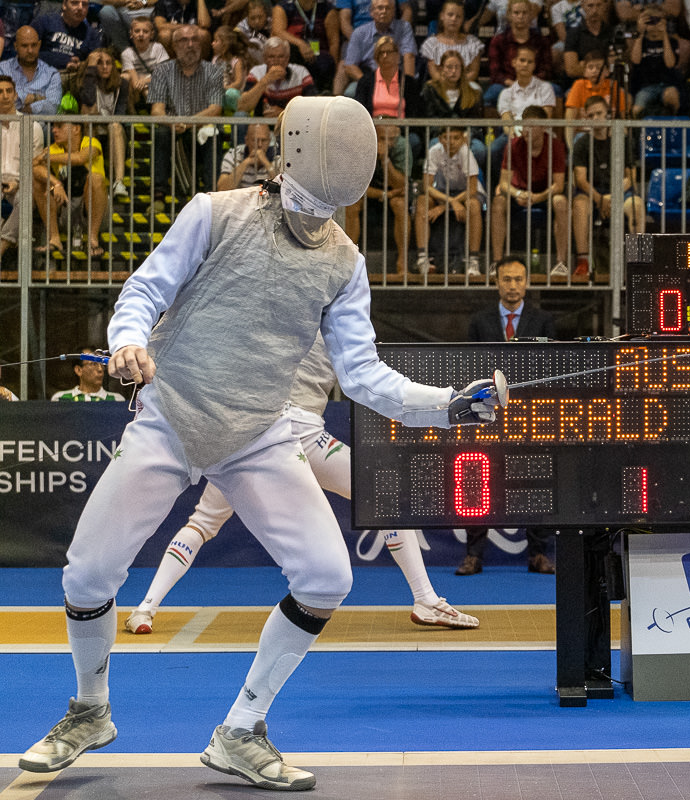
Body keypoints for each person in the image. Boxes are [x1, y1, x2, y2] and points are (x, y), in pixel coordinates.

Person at [16, 95, 500, 790]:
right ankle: (89, 711)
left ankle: (241, 729)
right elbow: (144, 292)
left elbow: (363, 376)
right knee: (87, 574)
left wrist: (447, 406)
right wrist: (126, 343)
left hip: (259, 432)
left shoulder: (344, 260)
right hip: (170, 417)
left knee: (328, 577)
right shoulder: (216, 213)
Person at [124, 336, 480, 635]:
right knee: (379, 496)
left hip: (249, 436)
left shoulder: (276, 311)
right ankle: (426, 600)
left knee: (202, 523)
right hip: (299, 432)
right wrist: (445, 400)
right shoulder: (335, 316)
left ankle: (145, 608)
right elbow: (372, 381)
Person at [458, 253, 556, 576]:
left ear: (527, 283)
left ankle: (538, 554)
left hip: (530, 415)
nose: (512, 286)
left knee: (536, 482)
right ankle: (474, 555)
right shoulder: (478, 321)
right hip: (487, 415)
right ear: (496, 282)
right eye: (506, 279)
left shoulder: (544, 322)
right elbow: (469, 369)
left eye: (518, 279)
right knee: (476, 483)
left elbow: (550, 370)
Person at [570, 95, 644, 279]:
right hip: (592, 193)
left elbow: (631, 177)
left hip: (619, 192)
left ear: (608, 114)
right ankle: (583, 262)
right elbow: (580, 179)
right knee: (579, 205)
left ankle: (639, 263)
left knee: (637, 206)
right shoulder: (582, 143)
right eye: (591, 115)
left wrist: (612, 197)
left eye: (599, 113)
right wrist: (600, 199)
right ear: (586, 118)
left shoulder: (622, 139)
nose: (596, 118)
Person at [148, 24, 225, 202]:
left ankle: (210, 195)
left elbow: (215, 109)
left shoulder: (213, 71)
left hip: (200, 127)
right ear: (174, 46)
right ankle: (158, 194)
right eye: (184, 40)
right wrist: (173, 123)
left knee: (213, 134)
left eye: (195, 40)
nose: (190, 45)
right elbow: (156, 111)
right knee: (160, 132)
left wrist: (188, 123)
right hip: (173, 129)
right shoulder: (161, 71)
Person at [490, 105, 570, 276]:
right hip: (519, 193)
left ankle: (561, 264)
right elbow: (503, 183)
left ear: (543, 127)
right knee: (498, 203)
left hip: (546, 193)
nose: (527, 130)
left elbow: (559, 185)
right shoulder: (513, 145)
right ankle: (497, 263)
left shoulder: (555, 146)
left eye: (532, 126)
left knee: (561, 201)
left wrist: (537, 197)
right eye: (525, 125)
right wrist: (518, 194)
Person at [413, 125, 485, 276]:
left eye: (456, 138)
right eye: (447, 137)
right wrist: (450, 202)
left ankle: (473, 261)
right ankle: (422, 258)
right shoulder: (434, 151)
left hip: (465, 193)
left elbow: (472, 188)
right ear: (440, 139)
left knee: (473, 205)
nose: (451, 142)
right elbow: (427, 186)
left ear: (463, 140)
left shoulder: (466, 153)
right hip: (443, 193)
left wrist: (444, 206)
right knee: (422, 201)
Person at [31, 119, 109, 260]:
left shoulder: (91, 143)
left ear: (76, 129)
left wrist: (47, 157)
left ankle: (92, 240)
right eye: (54, 126)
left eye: (59, 126)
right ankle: (54, 238)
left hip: (96, 211)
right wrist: (56, 183)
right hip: (66, 207)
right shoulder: (55, 148)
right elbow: (34, 166)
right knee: (41, 183)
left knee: (96, 179)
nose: (54, 130)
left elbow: (80, 158)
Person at [344, 121, 411, 272]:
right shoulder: (361, 146)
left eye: (392, 139)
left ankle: (402, 261)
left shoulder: (401, 146)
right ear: (373, 135)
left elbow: (401, 184)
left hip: (394, 194)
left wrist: (385, 160)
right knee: (351, 204)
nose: (388, 143)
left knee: (400, 204)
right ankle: (349, 262)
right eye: (382, 139)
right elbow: (356, 185)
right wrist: (384, 194)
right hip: (369, 193)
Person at [490, 45, 557, 185]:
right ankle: (501, 188)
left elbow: (546, 116)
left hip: (540, 132)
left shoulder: (545, 88)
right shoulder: (506, 94)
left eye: (530, 61)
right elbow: (507, 121)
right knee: (494, 149)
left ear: (534, 65)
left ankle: (548, 187)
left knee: (554, 146)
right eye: (522, 60)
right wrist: (517, 135)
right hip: (515, 134)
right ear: (514, 62)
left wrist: (531, 133)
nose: (525, 64)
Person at [74, 48, 130, 203]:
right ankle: (94, 179)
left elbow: (120, 114)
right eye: (99, 63)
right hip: (90, 130)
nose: (105, 67)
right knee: (88, 112)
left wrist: (102, 119)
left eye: (108, 63)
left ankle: (118, 182)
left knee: (115, 126)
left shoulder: (121, 84)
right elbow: (89, 100)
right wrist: (90, 70)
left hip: (113, 133)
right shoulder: (83, 82)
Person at [334, 0, 417, 98]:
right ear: (371, 12)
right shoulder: (359, 33)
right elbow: (350, 66)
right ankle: (334, 102)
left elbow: (409, 57)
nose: (384, 11)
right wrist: (371, 84)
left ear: (394, 12)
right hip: (368, 76)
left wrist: (408, 85)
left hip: (395, 76)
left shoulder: (404, 27)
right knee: (350, 88)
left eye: (388, 8)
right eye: (380, 8)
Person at [418, 50, 486, 168]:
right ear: (441, 68)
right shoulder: (430, 90)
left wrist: (465, 136)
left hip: (465, 136)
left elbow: (476, 123)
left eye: (457, 67)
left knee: (479, 149)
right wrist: (447, 136)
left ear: (462, 70)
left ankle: (471, 181)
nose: (453, 71)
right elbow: (429, 119)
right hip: (440, 136)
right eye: (449, 67)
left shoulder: (474, 93)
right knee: (434, 146)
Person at [485, 0, 554, 110]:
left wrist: (529, 83)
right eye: (516, 13)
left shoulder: (541, 41)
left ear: (531, 15)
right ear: (509, 15)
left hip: (535, 83)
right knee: (492, 93)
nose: (520, 16)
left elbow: (546, 69)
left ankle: (553, 127)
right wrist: (512, 84)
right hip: (506, 84)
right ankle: (492, 127)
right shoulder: (498, 41)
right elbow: (495, 72)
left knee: (556, 90)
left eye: (524, 13)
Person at [0, 75, 44, 224]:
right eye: (0, 92)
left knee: (25, 198)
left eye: (9, 91)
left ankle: (3, 244)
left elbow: (35, 166)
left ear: (15, 95)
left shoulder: (32, 127)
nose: (5, 96)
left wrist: (17, 183)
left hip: (21, 185)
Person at [270, 0, 340, 93]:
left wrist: (334, 69)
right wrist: (301, 44)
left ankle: (321, 94)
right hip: (293, 54)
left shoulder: (327, 9)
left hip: (319, 55)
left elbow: (333, 42)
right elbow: (277, 32)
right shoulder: (284, 7)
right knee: (290, 52)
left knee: (326, 62)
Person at [628, 3, 685, 117]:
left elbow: (670, 63)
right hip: (646, 86)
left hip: (667, 84)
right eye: (650, 20)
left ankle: (672, 129)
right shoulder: (640, 41)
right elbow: (635, 60)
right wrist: (641, 32)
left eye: (657, 20)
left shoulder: (671, 42)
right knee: (637, 109)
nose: (654, 24)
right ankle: (639, 134)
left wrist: (664, 33)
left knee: (671, 95)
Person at [238, 36, 317, 117]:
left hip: (291, 123)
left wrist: (283, 113)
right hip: (262, 124)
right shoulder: (256, 72)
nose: (276, 61)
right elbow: (242, 106)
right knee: (240, 115)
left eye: (281, 56)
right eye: (271, 57)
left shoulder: (301, 73)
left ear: (287, 59)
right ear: (264, 59)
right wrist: (265, 81)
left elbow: (313, 107)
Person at [564, 50, 630, 138]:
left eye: (599, 68)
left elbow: (622, 119)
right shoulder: (578, 85)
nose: (594, 71)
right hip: (584, 134)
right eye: (590, 67)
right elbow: (569, 120)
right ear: (584, 72)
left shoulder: (613, 86)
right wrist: (571, 149)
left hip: (607, 135)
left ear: (607, 71)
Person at [0, 26, 63, 115]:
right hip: (7, 127)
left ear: (39, 44)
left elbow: (53, 108)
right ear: (15, 46)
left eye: (34, 45)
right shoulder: (2, 69)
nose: (30, 50)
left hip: (40, 128)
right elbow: (2, 104)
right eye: (24, 46)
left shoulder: (52, 74)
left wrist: (25, 107)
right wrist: (37, 98)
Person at [419, 0, 485, 85]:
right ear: (442, 16)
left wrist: (457, 85)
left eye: (458, 16)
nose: (454, 19)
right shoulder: (431, 43)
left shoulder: (473, 43)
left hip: (465, 86)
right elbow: (434, 73)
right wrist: (448, 85)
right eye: (450, 15)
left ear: (463, 19)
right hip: (441, 85)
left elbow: (473, 73)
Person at [31, 0, 101, 77]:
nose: (80, 8)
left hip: (72, 77)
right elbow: (26, 52)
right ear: (64, 5)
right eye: (75, 3)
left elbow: (96, 61)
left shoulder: (91, 34)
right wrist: (65, 62)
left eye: (84, 4)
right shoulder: (45, 21)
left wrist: (81, 64)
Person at [120, 16, 170, 108]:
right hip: (137, 87)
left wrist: (145, 80)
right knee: (125, 77)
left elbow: (164, 74)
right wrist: (143, 83)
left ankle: (157, 113)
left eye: (145, 31)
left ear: (152, 34)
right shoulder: (127, 53)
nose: (141, 34)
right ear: (131, 34)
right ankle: (132, 115)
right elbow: (135, 82)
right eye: (137, 31)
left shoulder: (157, 48)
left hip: (155, 83)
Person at [562, 0, 617, 80]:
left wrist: (585, 65)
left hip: (607, 83)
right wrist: (603, 67)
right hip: (581, 84)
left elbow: (619, 66)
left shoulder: (613, 32)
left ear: (605, 6)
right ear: (582, 6)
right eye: (590, 6)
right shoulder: (573, 33)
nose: (595, 10)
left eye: (599, 5)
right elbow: (571, 70)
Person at [217, 122, 278, 190]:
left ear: (269, 141)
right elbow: (222, 189)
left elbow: (282, 188)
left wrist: (266, 163)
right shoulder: (233, 154)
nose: (260, 145)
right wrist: (246, 162)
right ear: (247, 140)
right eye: (255, 140)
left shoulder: (277, 156)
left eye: (264, 140)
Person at [50, 348, 125, 402]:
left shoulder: (117, 400)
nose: (100, 369)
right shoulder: (60, 399)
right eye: (94, 364)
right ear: (78, 370)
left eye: (102, 365)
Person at [211, 25, 249, 114]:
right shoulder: (215, 59)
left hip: (232, 93)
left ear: (225, 45)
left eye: (216, 41)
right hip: (219, 93)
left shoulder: (236, 61)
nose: (212, 43)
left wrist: (225, 88)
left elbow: (238, 82)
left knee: (231, 93)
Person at [236, 0, 272, 65]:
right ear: (247, 17)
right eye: (252, 18)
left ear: (266, 15)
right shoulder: (241, 26)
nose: (257, 22)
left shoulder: (272, 23)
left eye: (260, 17)